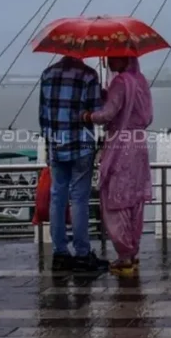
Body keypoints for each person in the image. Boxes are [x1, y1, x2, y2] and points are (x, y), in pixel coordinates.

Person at [81, 56, 154, 277]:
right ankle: (133, 253)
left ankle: (124, 257)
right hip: (139, 145)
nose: (109, 61)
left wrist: (87, 116)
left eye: (113, 57)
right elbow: (144, 115)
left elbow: (107, 115)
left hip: (121, 146)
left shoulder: (121, 82)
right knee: (134, 200)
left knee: (116, 199)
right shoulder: (141, 80)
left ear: (123, 59)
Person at [39, 55, 108, 273]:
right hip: (81, 145)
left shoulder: (47, 74)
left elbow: (43, 114)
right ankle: (82, 254)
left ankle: (60, 254)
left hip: (56, 145)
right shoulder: (88, 75)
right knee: (79, 199)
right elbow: (96, 112)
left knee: (57, 197)